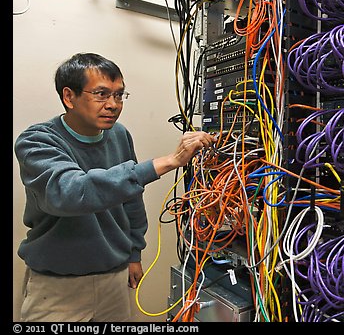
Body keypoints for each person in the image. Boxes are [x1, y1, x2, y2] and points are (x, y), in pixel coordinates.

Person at [14, 52, 216, 322]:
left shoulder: (118, 135)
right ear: (68, 97)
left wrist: (134, 252)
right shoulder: (37, 141)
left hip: (114, 278)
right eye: (101, 94)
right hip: (58, 287)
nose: (113, 105)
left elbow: (131, 200)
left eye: (119, 95)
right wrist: (168, 162)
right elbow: (70, 193)